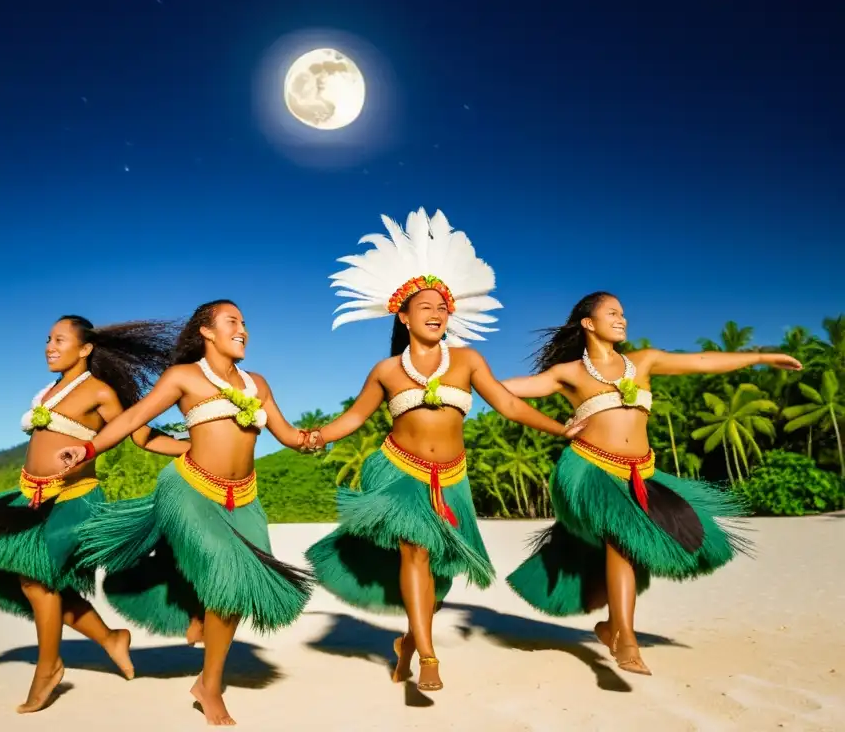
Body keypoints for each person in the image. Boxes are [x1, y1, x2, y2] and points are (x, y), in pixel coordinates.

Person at [302, 208, 584, 693]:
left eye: (442, 306)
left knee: (438, 572)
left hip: (451, 480)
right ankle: (429, 657)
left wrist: (562, 428)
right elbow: (353, 419)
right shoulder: (387, 370)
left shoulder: (469, 361)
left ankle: (410, 641)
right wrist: (316, 437)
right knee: (414, 555)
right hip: (399, 473)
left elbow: (510, 405)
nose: (436, 313)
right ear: (403, 314)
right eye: (425, 306)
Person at [501, 291, 802, 675]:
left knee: (631, 548)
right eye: (613, 313)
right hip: (590, 470)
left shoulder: (643, 361)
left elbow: (703, 361)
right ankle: (626, 639)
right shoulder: (569, 373)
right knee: (621, 542)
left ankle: (611, 626)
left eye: (623, 314)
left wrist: (760, 356)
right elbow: (506, 390)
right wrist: (464, 378)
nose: (623, 319)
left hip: (641, 472)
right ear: (588, 324)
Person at [55, 299, 315, 727]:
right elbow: (136, 417)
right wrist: (87, 447)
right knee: (224, 578)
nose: (243, 329)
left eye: (246, 323)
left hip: (244, 498)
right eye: (233, 322)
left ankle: (205, 678)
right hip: (190, 487)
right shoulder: (185, 377)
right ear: (207, 333)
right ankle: (209, 681)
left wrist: (314, 438)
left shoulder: (258, 385)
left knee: (236, 595)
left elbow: (286, 434)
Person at [0, 315, 189, 713]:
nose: (49, 346)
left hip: (76, 499)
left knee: (37, 580)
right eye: (48, 339)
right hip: (31, 496)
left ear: (85, 349)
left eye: (59, 340)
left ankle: (49, 668)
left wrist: (193, 447)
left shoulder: (99, 392)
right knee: (33, 580)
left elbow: (139, 434)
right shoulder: (47, 392)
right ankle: (111, 639)